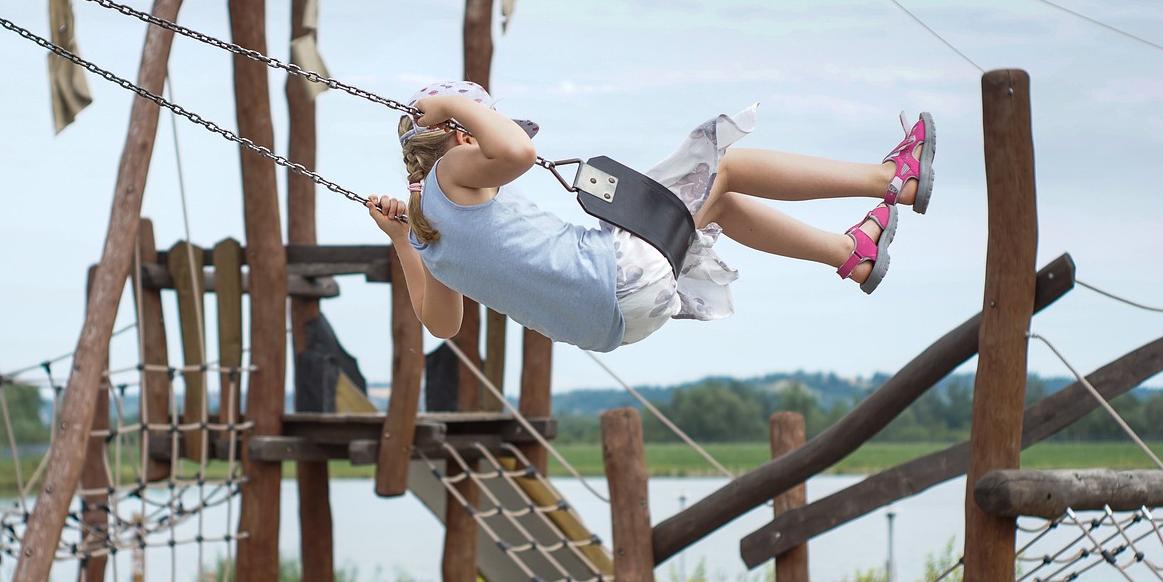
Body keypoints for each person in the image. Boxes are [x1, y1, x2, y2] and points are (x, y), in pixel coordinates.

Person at [368, 80, 934, 353]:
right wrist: (448, 105)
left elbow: (442, 325)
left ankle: (851, 254)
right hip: (617, 274)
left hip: (617, 325)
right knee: (723, 167)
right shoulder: (451, 174)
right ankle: (892, 179)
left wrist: (399, 239)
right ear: (461, 135)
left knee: (714, 203)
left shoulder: (429, 239)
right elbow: (518, 152)